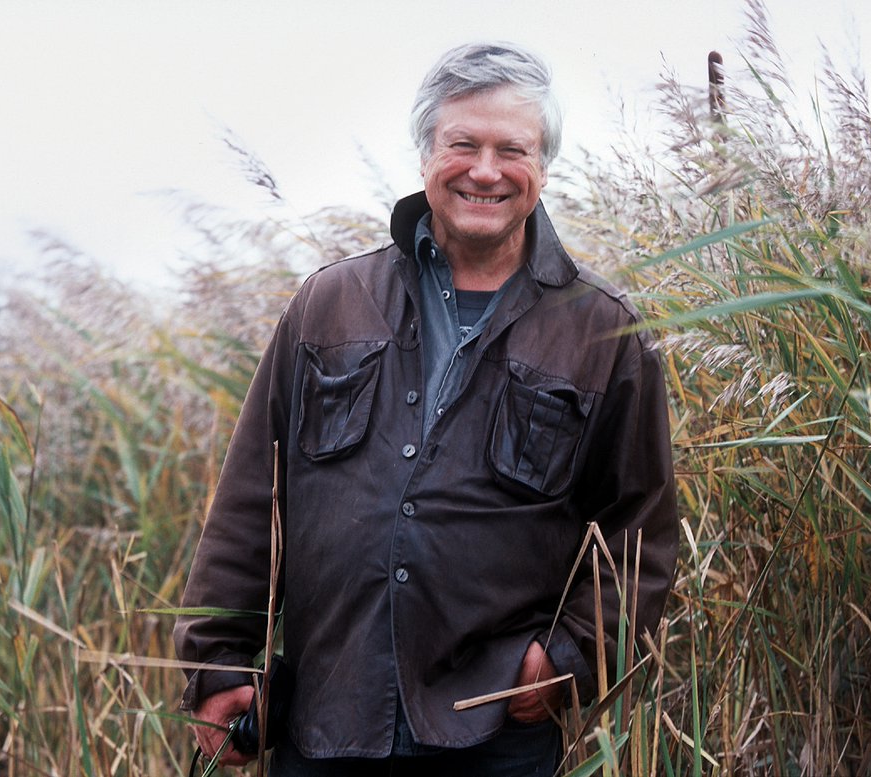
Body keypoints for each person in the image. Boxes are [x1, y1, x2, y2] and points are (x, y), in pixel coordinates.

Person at [174, 41, 678, 776]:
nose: (485, 170)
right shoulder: (329, 304)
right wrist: (217, 661)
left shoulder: (602, 329)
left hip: (493, 738)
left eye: (513, 149)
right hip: (327, 723)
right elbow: (254, 494)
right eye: (462, 144)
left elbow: (644, 531)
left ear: (543, 166)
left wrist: (570, 656)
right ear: (424, 155)